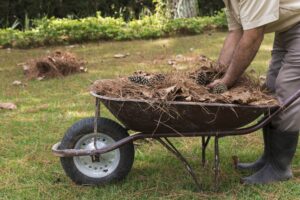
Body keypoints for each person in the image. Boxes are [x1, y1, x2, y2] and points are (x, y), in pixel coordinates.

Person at [208, 0, 300, 184]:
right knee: (271, 89)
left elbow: (252, 37)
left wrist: (226, 81)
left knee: (286, 91)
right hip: (288, 26)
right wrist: (216, 72)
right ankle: (268, 159)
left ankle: (279, 168)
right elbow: (236, 32)